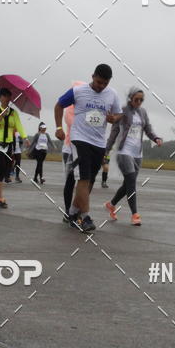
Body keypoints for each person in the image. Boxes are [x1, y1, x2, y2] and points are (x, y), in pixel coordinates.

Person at [54, 63, 122, 233]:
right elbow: (59, 105)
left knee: (90, 181)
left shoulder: (112, 94)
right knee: (83, 178)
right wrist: (59, 128)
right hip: (79, 139)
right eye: (99, 82)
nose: (101, 86)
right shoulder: (78, 91)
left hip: (99, 143)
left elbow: (119, 113)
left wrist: (114, 118)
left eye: (105, 83)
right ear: (93, 76)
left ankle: (72, 212)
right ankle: (85, 217)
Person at [105, 87, 163, 226]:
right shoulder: (122, 111)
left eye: (141, 100)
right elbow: (114, 131)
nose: (139, 102)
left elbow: (148, 128)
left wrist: (155, 138)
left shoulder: (143, 112)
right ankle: (135, 215)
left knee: (128, 184)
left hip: (137, 153)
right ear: (130, 98)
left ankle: (111, 204)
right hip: (123, 151)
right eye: (136, 99)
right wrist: (106, 150)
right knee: (131, 182)